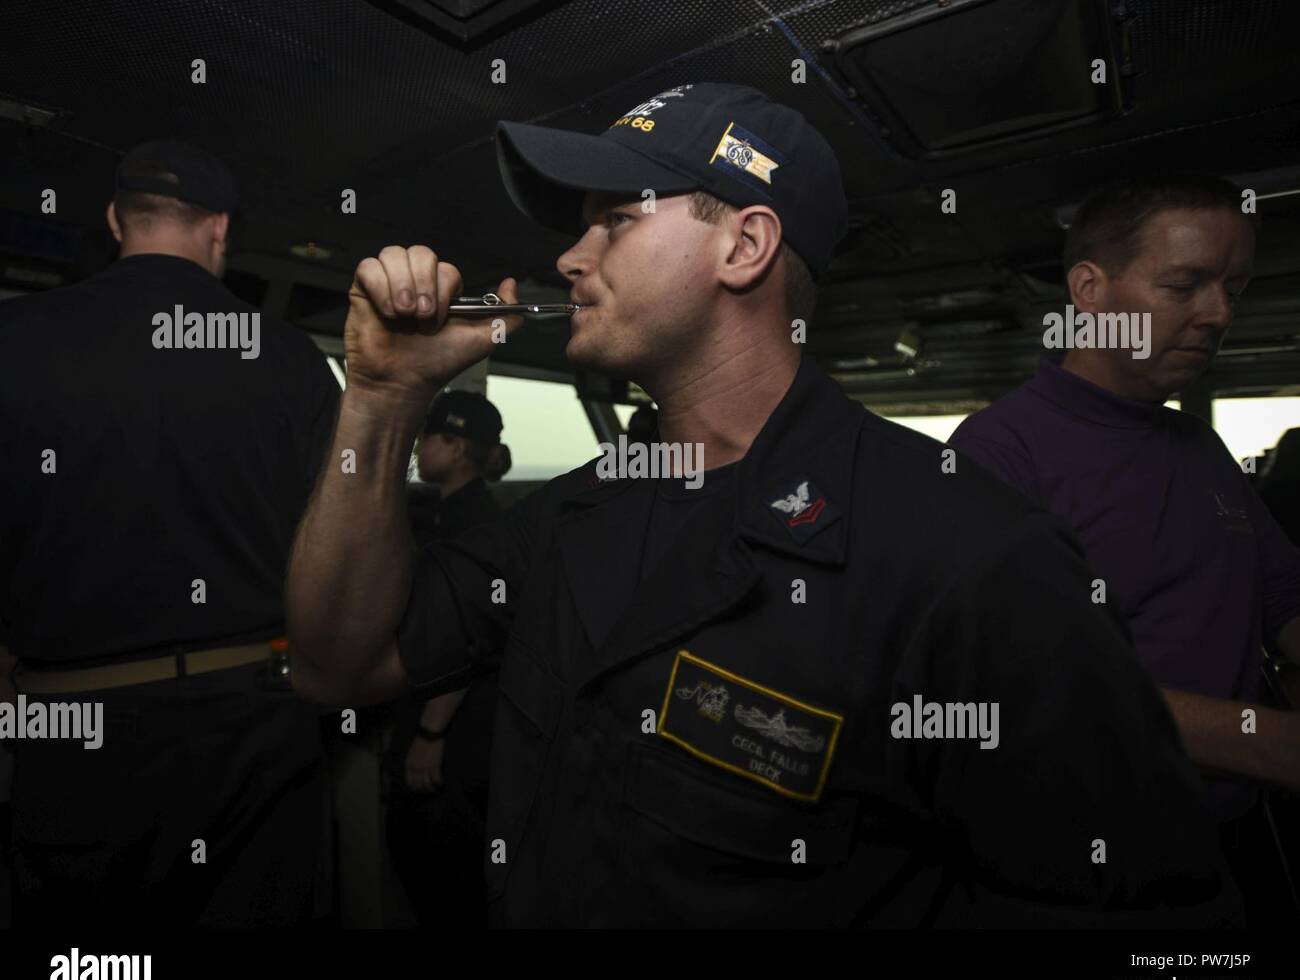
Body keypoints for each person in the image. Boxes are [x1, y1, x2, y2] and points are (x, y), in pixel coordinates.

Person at [286, 83, 1239, 927]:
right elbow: (341, 665)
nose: (572, 258)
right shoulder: (566, 521)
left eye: (613, 221)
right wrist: (380, 397)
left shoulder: (972, 557)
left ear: (744, 246)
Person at [0, 140, 339, 927]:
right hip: (252, 717)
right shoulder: (286, 356)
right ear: (220, 229)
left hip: (70, 723)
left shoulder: (14, 341)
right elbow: (333, 551)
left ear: (116, 218)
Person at [950, 174, 1300, 926]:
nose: (1218, 314)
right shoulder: (999, 451)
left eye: (1233, 288)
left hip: (1218, 860)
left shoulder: (1202, 449)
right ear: (1090, 290)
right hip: (1077, 878)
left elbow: (1285, 604)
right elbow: (1015, 688)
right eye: (1186, 284)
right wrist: (1265, 743)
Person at [388, 390, 509, 926]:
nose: (418, 447)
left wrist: (431, 734)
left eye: (427, 437)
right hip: (446, 716)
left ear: (456, 447)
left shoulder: (472, 524)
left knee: (441, 871)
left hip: (453, 731)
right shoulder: (451, 513)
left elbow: (468, 634)